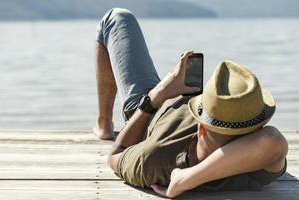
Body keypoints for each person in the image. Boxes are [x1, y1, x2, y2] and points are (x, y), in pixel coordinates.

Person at [93, 8, 288, 198]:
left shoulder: (154, 160)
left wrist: (156, 96)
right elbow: (272, 140)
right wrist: (186, 179)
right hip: (179, 95)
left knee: (115, 18)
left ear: (201, 130)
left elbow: (116, 155)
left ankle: (104, 124)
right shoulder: (258, 166)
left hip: (147, 110)